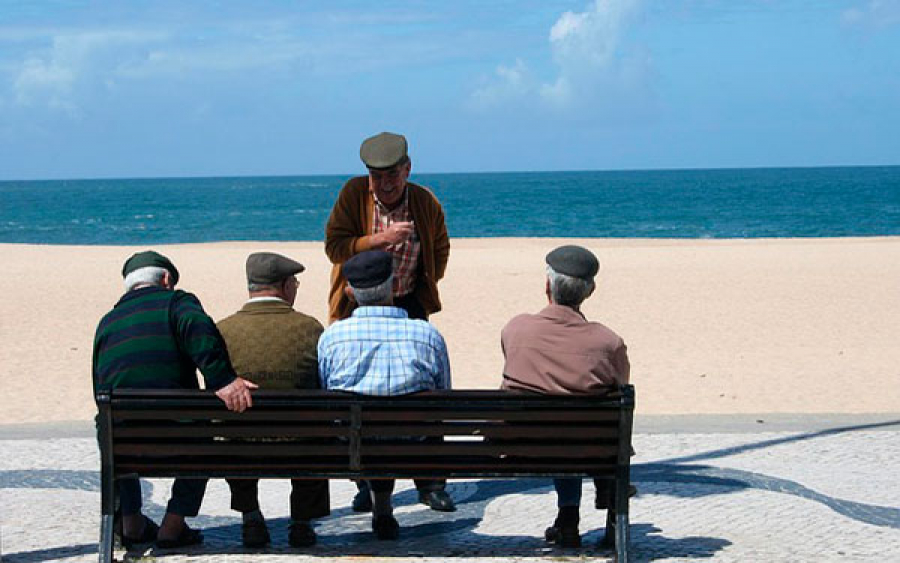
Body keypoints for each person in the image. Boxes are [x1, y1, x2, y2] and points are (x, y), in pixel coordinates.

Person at [324, 131, 454, 512]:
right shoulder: (353, 194)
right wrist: (378, 241)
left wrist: (428, 279)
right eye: (376, 176)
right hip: (359, 305)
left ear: (407, 169)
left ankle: (430, 482)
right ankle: (367, 482)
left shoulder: (425, 201)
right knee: (360, 395)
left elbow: (441, 246)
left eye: (392, 175)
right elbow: (334, 247)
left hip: (408, 303)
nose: (384, 184)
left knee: (422, 395)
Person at [92, 250, 257, 549]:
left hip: (123, 443)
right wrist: (223, 380)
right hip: (180, 440)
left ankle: (131, 522)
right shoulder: (177, 303)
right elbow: (201, 334)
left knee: (110, 429)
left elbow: (99, 388)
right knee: (205, 438)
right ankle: (172, 525)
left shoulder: (108, 322)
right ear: (166, 279)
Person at [500, 245, 631, 548]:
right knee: (583, 429)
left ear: (547, 286)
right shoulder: (608, 342)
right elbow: (620, 385)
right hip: (588, 447)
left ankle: (568, 517)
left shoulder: (515, 329)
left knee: (559, 427)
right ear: (590, 291)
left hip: (522, 446)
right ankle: (603, 510)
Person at [318, 250, 452, 540]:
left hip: (354, 444)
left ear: (350, 292)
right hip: (413, 443)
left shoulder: (332, 337)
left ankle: (377, 499)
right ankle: (420, 490)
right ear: (393, 287)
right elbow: (444, 395)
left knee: (360, 425)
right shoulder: (426, 335)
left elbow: (326, 390)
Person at [216, 252, 329, 548]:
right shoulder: (310, 328)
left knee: (230, 428)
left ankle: (251, 516)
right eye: (295, 284)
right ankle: (302, 521)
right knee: (318, 427)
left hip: (241, 446)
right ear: (285, 286)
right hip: (301, 446)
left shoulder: (223, 329)